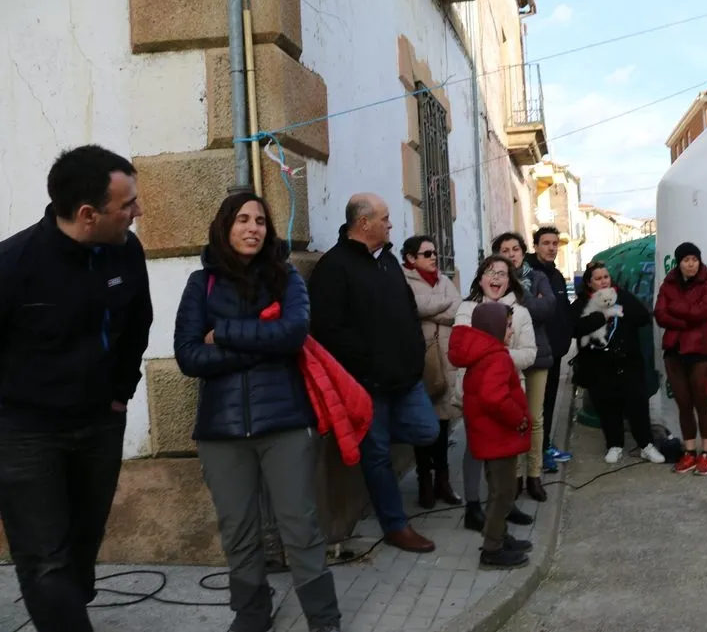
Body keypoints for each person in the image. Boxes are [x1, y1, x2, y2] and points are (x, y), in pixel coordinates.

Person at [0, 145, 153, 632]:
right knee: (45, 560)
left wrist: (121, 392)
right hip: (24, 434)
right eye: (127, 204)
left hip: (100, 425)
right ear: (88, 215)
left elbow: (138, 323)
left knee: (82, 547)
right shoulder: (12, 265)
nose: (138, 211)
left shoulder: (126, 251)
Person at [174, 192, 341, 632]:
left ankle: (324, 618)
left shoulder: (286, 277)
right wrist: (262, 345)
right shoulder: (201, 284)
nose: (253, 228)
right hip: (221, 429)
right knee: (238, 529)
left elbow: (293, 333)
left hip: (285, 422)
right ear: (225, 226)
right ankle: (252, 614)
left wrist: (223, 333)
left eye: (261, 221)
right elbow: (189, 356)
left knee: (299, 525)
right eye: (243, 219)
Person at [307, 193, 440, 553]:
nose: (390, 224)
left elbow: (408, 309)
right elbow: (328, 329)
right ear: (363, 223)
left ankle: (364, 436)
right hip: (368, 384)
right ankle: (395, 526)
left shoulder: (388, 261)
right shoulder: (333, 267)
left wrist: (414, 352)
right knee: (377, 454)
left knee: (427, 430)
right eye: (384, 218)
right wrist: (369, 363)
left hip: (406, 378)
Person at [453, 255, 537, 532]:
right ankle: (473, 506)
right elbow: (462, 350)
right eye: (490, 272)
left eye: (502, 273)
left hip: (508, 393)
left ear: (510, 281)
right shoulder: (467, 309)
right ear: (480, 279)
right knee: (475, 448)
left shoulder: (520, 313)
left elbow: (529, 354)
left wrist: (497, 356)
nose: (496, 277)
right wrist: (494, 355)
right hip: (476, 392)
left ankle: (503, 505)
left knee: (505, 452)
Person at [448, 302, 533, 570]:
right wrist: (518, 419)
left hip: (489, 437)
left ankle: (499, 536)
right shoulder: (496, 357)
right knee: (504, 494)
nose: (511, 331)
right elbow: (494, 397)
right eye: (507, 326)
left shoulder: (483, 354)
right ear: (494, 328)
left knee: (498, 490)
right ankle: (492, 549)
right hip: (499, 438)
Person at [571, 262, 667, 464]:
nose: (603, 281)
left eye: (606, 277)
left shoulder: (622, 296)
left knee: (637, 404)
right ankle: (614, 444)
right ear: (589, 283)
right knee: (607, 406)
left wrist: (618, 309)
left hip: (628, 361)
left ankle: (646, 445)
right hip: (598, 365)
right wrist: (601, 316)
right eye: (598, 278)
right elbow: (575, 328)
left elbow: (643, 317)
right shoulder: (582, 303)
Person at [492, 231, 555, 501]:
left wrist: (519, 292)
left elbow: (546, 309)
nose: (511, 254)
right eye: (505, 250)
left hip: (537, 355)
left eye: (515, 249)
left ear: (523, 251)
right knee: (513, 419)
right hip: (505, 358)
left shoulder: (538, 277)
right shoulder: (492, 280)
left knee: (535, 418)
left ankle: (534, 475)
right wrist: (531, 301)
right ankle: (515, 476)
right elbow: (490, 314)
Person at [401, 235, 463, 508]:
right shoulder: (402, 280)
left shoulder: (444, 280)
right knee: (422, 428)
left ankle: (443, 481)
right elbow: (413, 307)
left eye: (435, 252)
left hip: (446, 362)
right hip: (421, 363)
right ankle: (424, 481)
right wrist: (441, 305)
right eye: (427, 253)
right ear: (410, 258)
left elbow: (458, 309)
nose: (434, 257)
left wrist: (429, 309)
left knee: (443, 425)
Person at [654, 242, 707, 476]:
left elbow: (704, 312)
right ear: (679, 263)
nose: (691, 264)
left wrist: (676, 308)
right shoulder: (668, 284)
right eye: (686, 260)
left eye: (694, 259)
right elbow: (660, 315)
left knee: (702, 403)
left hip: (702, 353)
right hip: (674, 353)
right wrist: (686, 320)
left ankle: (706, 454)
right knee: (684, 404)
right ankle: (690, 452)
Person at [525, 226, 573, 471]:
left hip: (555, 351)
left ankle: (544, 446)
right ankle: (536, 454)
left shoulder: (556, 275)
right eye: (546, 243)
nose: (552, 248)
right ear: (535, 246)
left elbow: (564, 311)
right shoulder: (529, 275)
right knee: (536, 406)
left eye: (555, 243)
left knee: (550, 402)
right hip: (536, 351)